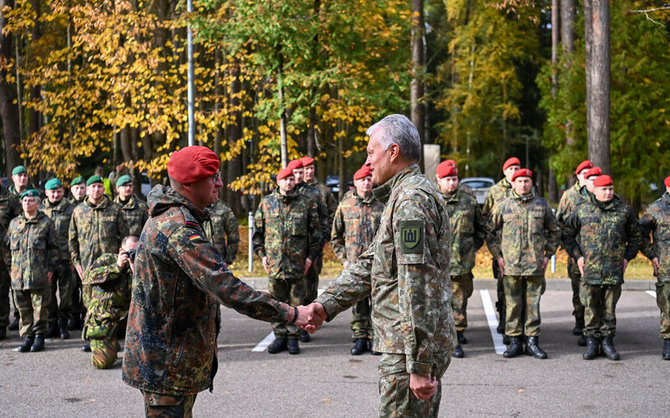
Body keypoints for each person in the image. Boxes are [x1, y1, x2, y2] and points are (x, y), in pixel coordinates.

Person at [122, 146, 316, 416]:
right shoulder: (178, 229)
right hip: (166, 363)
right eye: (212, 177)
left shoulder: (179, 217)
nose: (220, 183)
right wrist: (291, 313)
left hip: (170, 359)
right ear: (190, 183)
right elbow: (226, 288)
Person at [303, 114, 456, 417]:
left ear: (393, 152)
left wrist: (419, 365)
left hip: (407, 351)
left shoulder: (411, 200)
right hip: (404, 347)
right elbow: (373, 263)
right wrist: (326, 305)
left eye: (372, 151)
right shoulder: (401, 196)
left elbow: (418, 287)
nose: (368, 160)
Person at [563, 175, 643, 361]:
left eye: (610, 189)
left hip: (613, 270)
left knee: (609, 309)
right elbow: (567, 235)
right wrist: (578, 256)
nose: (608, 192)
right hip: (590, 270)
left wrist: (627, 258)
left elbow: (636, 236)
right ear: (595, 190)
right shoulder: (582, 210)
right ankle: (592, 341)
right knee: (590, 307)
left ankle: (607, 342)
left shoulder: (624, 211)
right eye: (604, 189)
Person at [487, 169, 560, 359]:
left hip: (534, 265)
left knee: (532, 304)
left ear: (531, 182)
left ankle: (532, 341)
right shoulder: (502, 205)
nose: (523, 185)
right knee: (512, 305)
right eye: (519, 181)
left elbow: (555, 231)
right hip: (510, 265)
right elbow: (489, 232)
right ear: (513, 183)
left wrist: (547, 256)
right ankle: (514, 342)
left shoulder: (541, 205)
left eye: (526, 181)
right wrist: (498, 256)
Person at [253, 166, 322, 354]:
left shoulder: (306, 203)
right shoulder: (266, 203)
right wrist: (262, 257)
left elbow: (316, 235)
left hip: (298, 265)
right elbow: (258, 234)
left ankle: (293, 337)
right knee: (276, 302)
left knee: (296, 302)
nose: (289, 182)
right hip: (275, 265)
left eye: (292, 179)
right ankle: (279, 336)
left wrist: (310, 258)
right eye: (285, 179)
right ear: (278, 182)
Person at [69, 175, 129, 351]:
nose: (96, 190)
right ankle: (92, 337)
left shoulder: (115, 210)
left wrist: (122, 261)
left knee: (111, 302)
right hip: (88, 267)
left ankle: (112, 336)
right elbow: (72, 240)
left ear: (104, 189)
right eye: (93, 186)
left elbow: (124, 237)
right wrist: (76, 262)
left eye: (99, 186)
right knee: (89, 303)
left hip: (111, 267)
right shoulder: (78, 211)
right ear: (87, 189)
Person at [330, 165, 383, 355]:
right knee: (359, 303)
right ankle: (360, 337)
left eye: (369, 179)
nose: (366, 183)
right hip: (355, 265)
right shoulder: (346, 204)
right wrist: (344, 260)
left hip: (379, 265)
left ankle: (375, 338)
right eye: (362, 180)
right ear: (355, 182)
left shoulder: (381, 203)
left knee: (378, 303)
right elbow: (336, 236)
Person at [436, 161, 486, 358]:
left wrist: (471, 249)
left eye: (454, 179)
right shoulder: (431, 201)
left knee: (459, 301)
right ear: (438, 180)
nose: (451, 183)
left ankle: (457, 336)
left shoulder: (469, 201)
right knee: (439, 304)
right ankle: (446, 339)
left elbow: (480, 228)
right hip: (437, 265)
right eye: (447, 179)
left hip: (461, 263)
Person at [8, 189, 59, 352]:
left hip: (39, 275)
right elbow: (7, 248)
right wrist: (11, 268)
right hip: (18, 276)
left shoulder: (46, 223)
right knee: (23, 308)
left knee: (40, 309)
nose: (27, 203)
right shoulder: (14, 223)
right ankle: (27, 336)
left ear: (38, 203)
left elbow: (55, 249)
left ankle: (39, 336)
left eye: (31, 200)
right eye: (24, 201)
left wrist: (50, 269)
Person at [289, 158, 329, 343]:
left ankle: (309, 319)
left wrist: (321, 242)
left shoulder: (317, 192)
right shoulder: (290, 191)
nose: (306, 173)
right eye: (303, 169)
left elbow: (326, 217)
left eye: (310, 168)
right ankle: (297, 324)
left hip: (313, 247)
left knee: (310, 285)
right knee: (296, 288)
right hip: (294, 251)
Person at [83, 236, 138, 369]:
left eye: (137, 252)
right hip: (105, 319)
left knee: (144, 362)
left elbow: (148, 291)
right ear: (121, 250)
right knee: (103, 363)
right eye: (130, 252)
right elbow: (89, 277)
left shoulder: (141, 266)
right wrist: (117, 267)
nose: (133, 255)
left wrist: (135, 270)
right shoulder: (107, 260)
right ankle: (105, 342)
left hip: (128, 318)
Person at [556, 160, 593, 346]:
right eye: (584, 172)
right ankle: (580, 321)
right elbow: (560, 223)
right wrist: (569, 248)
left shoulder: (599, 192)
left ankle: (591, 327)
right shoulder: (569, 196)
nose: (587, 175)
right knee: (578, 291)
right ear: (578, 176)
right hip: (576, 252)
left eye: (590, 172)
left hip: (596, 254)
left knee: (591, 292)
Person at [482, 157, 520, 338]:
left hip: (520, 250)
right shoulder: (495, 190)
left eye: (517, 168)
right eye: (511, 168)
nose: (514, 171)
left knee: (517, 292)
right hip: (501, 249)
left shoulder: (524, 186)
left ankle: (515, 325)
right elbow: (486, 217)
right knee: (502, 289)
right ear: (505, 172)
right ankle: (504, 320)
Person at [639, 176, 670, 360]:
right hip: (666, 266)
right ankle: (668, 341)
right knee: (667, 304)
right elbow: (641, 235)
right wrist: (652, 255)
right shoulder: (655, 209)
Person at [41, 178, 75, 340]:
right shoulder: (40, 210)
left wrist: (74, 258)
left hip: (65, 259)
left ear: (63, 192)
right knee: (49, 293)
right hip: (46, 261)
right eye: (52, 192)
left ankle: (63, 323)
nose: (55, 194)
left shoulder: (71, 210)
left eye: (58, 191)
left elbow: (75, 235)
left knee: (66, 293)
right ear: (46, 193)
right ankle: (52, 322)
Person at [0, 181, 20, 339]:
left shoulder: (10, 198)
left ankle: (14, 321)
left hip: (8, 252)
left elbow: (20, 222)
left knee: (12, 287)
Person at [204, 199, 239, 266]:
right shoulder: (193, 206)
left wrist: (228, 260)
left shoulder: (224, 209)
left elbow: (233, 236)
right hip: (195, 261)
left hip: (217, 261)